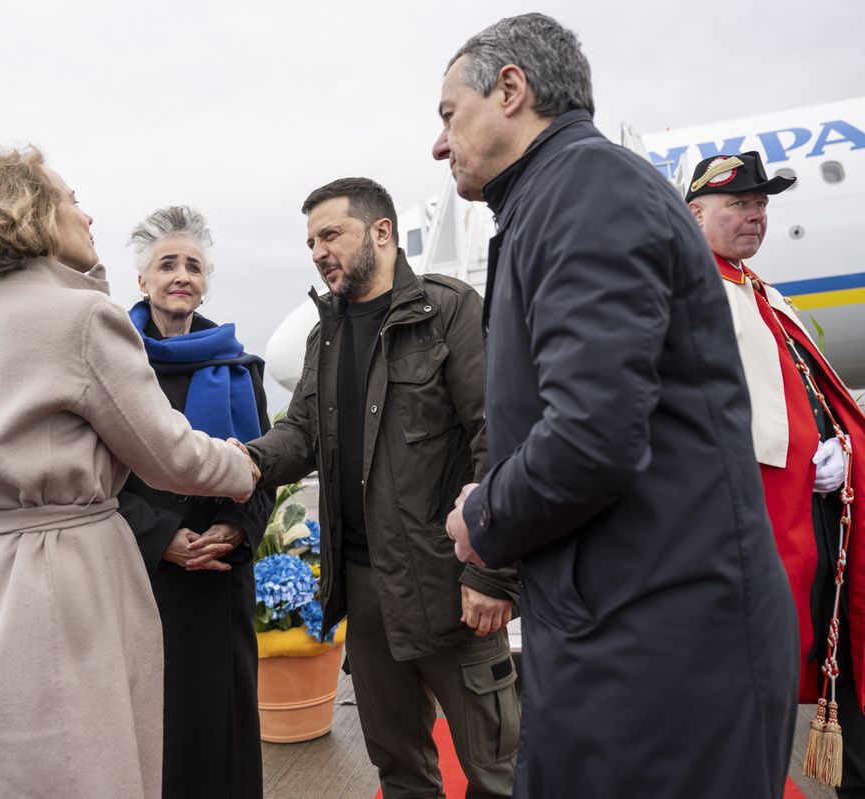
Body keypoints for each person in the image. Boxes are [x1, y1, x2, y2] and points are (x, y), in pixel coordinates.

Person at [433, 14, 799, 799]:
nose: (439, 142)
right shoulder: (552, 198)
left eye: (447, 114)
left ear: (511, 89)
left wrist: (482, 515)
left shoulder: (584, 188)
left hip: (664, 651)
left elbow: (593, 435)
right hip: (633, 626)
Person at [0, 146, 257, 799]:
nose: (87, 213)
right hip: (63, 573)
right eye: (72, 199)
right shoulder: (81, 317)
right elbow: (169, 452)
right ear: (38, 213)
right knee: (78, 761)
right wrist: (242, 468)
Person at [246, 177, 520, 798]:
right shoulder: (327, 335)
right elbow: (301, 435)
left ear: (382, 232)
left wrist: (493, 575)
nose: (318, 251)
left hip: (451, 586)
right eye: (311, 240)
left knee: (496, 775)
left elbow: (497, 440)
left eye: (331, 234)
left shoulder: (449, 311)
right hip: (364, 592)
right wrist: (244, 462)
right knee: (399, 774)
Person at [688, 150, 865, 793]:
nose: (755, 217)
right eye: (738, 204)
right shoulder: (691, 296)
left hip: (814, 516)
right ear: (694, 214)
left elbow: (811, 393)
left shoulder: (759, 289)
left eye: (761, 205)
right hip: (756, 530)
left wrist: (838, 443)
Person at [116, 205, 272, 799]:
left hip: (219, 577)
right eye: (167, 265)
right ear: (143, 281)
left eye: (194, 267)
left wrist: (235, 526)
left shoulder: (239, 369)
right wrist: (161, 538)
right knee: (151, 728)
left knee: (223, 733)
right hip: (144, 574)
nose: (182, 276)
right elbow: (97, 477)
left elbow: (263, 468)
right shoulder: (115, 363)